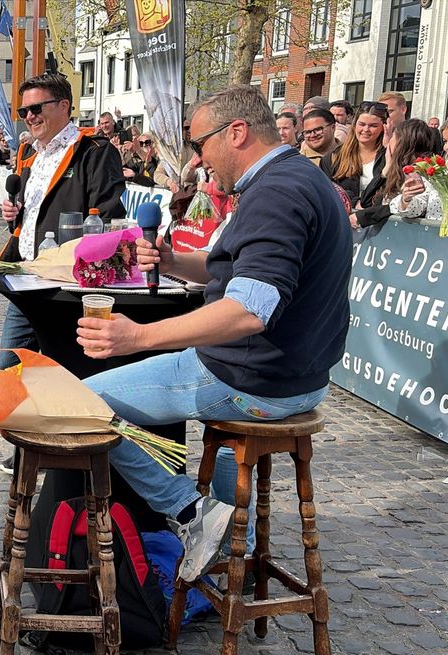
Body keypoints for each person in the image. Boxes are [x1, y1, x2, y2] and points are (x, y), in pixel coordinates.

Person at [76, 84, 351, 584]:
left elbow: (250, 309)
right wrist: (175, 261)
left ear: (237, 133)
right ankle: (225, 534)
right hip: (303, 378)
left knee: (82, 402)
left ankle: (189, 512)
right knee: (218, 435)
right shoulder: (300, 178)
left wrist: (136, 338)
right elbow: (247, 273)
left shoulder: (276, 192)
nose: (199, 161)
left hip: (253, 378)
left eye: (200, 144)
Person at [0, 72, 126, 472]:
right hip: (27, 277)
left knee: (64, 369)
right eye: (24, 111)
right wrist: (14, 219)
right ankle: (30, 445)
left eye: (37, 108)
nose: (30, 117)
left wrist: (78, 254)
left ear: (64, 106)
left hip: (68, 284)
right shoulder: (30, 156)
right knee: (10, 365)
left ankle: (62, 450)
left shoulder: (92, 151)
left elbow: (107, 216)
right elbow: (32, 216)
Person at [391, 112, 448, 227]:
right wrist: (407, 199)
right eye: (445, 141)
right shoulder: (441, 171)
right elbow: (418, 206)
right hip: (433, 241)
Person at [321, 102, 387, 211]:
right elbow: (326, 191)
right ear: (354, 125)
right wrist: (354, 201)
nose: (366, 129)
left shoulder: (390, 156)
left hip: (379, 221)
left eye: (373, 126)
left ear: (383, 128)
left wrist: (390, 149)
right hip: (343, 221)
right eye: (362, 124)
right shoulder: (334, 157)